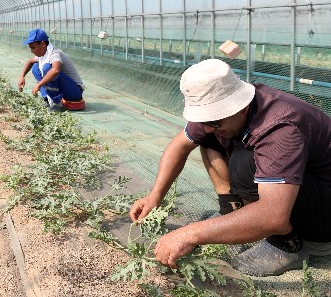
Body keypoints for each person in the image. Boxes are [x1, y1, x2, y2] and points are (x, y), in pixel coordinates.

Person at [129, 59, 331, 277]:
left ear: (242, 107)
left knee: (245, 164)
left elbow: (274, 215)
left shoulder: (280, 128)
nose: (207, 126)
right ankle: (232, 211)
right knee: (208, 139)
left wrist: (189, 234)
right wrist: (155, 196)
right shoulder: (219, 114)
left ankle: (287, 245)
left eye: (214, 121)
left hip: (324, 212)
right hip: (300, 189)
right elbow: (179, 146)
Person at [17, 28, 84, 112]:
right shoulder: (43, 55)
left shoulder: (54, 53)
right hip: (65, 89)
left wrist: (38, 85)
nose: (32, 51)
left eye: (33, 48)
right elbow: (30, 61)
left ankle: (57, 104)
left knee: (47, 68)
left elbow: (55, 70)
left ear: (42, 44)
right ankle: (47, 99)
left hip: (74, 91)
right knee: (35, 67)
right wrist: (22, 76)